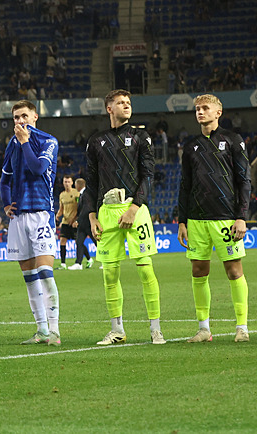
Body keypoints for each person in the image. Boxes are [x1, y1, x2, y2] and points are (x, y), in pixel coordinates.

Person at [84, 89, 165, 345]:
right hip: (106, 213)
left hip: (135, 209)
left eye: (128, 102)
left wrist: (135, 207)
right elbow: (92, 181)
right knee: (109, 273)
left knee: (145, 268)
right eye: (121, 103)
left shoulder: (141, 136)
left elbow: (148, 175)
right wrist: (91, 216)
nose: (126, 106)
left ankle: (155, 329)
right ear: (109, 108)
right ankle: (117, 329)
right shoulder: (96, 141)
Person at [177, 94, 251, 343]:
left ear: (218, 112)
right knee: (199, 271)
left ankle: (241, 327)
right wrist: (182, 221)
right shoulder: (191, 146)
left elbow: (244, 181)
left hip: (225, 218)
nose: (200, 112)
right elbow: (185, 185)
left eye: (205, 108)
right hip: (197, 220)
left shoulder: (233, 140)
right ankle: (204, 329)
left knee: (233, 271)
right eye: (197, 108)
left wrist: (241, 217)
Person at [0, 100, 61, 346]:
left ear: (35, 117)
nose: (19, 121)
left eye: (24, 116)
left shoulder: (48, 141)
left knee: (45, 274)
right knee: (29, 278)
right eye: (15, 117)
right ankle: (42, 330)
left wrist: (25, 141)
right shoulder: (11, 144)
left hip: (41, 213)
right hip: (18, 218)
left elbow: (37, 168)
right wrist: (6, 203)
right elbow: (4, 179)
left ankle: (54, 330)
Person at [68, 178, 95, 270]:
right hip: (82, 224)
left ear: (78, 185)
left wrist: (78, 221)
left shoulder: (86, 194)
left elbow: (86, 210)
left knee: (97, 243)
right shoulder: (82, 195)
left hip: (88, 223)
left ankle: (106, 261)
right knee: (79, 242)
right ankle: (78, 263)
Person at [55, 175, 79, 269]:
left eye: (68, 182)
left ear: (72, 183)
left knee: (78, 242)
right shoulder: (62, 195)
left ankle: (88, 259)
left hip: (74, 222)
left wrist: (76, 219)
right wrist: (58, 215)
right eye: (65, 182)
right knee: (62, 241)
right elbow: (61, 208)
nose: (67, 184)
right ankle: (63, 264)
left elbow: (79, 207)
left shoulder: (76, 193)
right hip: (65, 221)